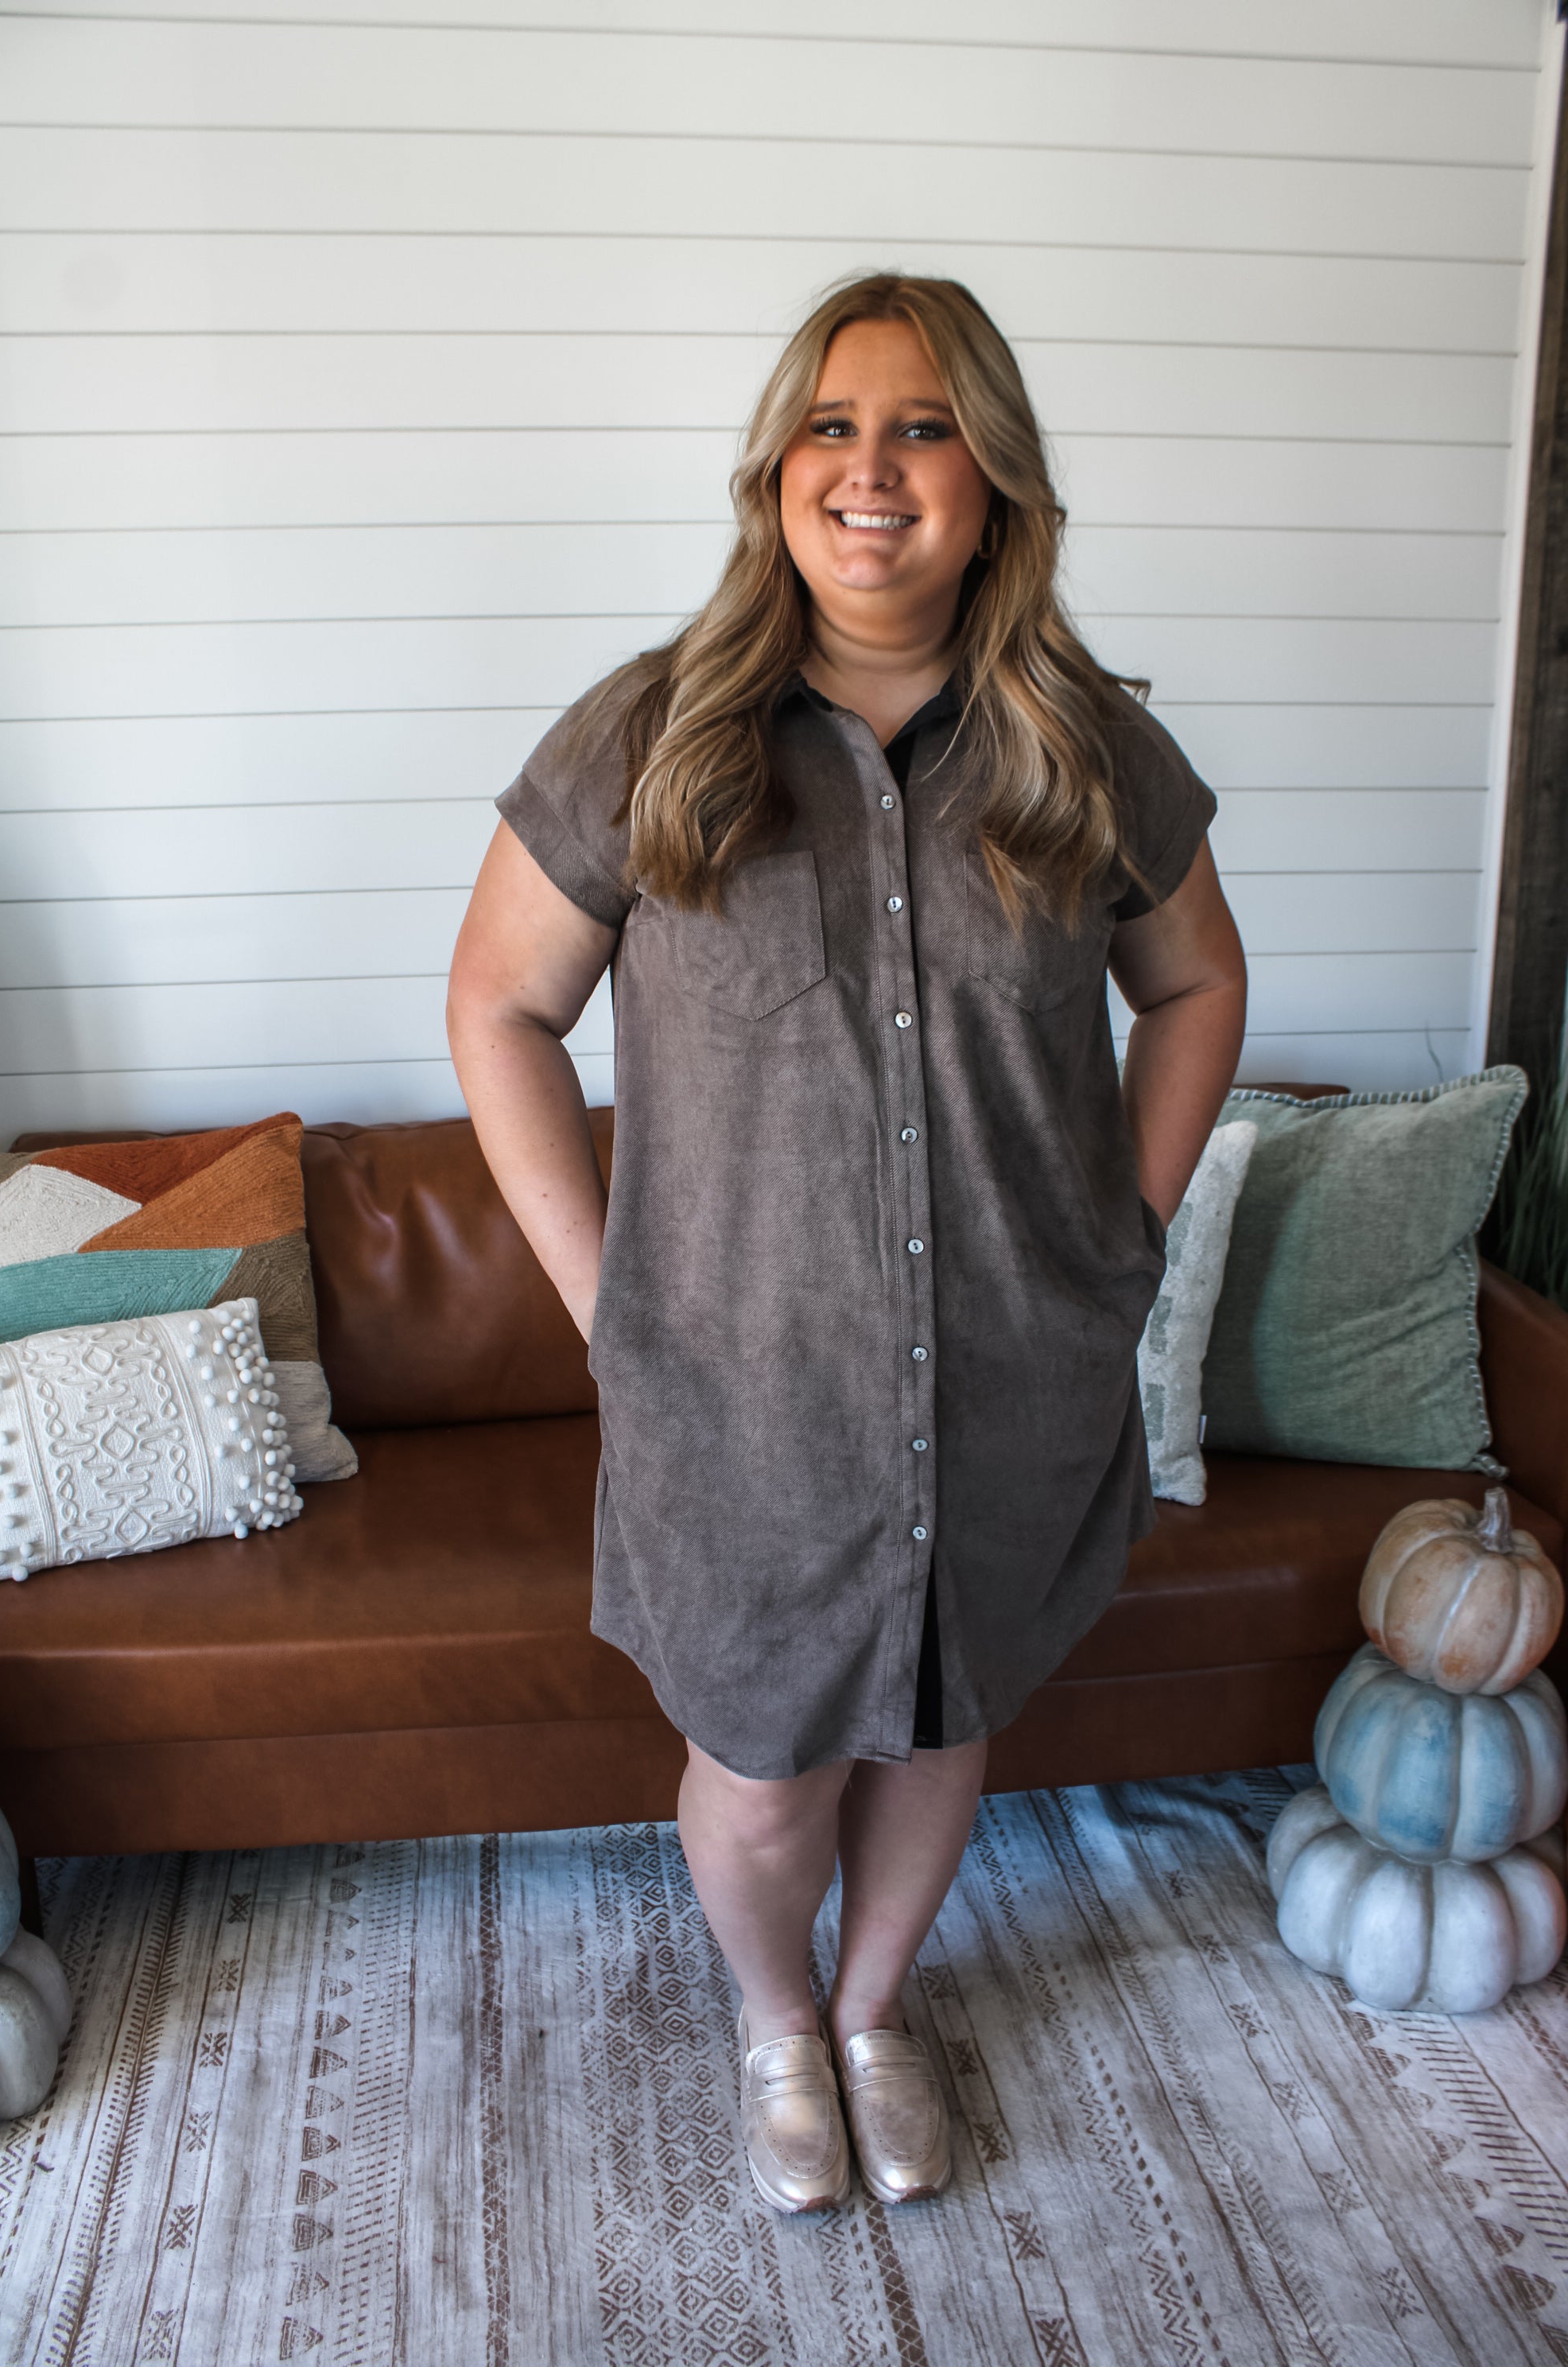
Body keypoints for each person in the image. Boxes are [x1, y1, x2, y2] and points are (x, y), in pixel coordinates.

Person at [447, 273, 1247, 2217]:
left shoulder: (1084, 748)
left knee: (942, 1728)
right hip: (743, 1400)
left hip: (1010, 1373)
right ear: (774, 471)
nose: (869, 468)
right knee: (764, 1771)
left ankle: (875, 2014)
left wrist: (1125, 1239)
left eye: (920, 427)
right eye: (830, 424)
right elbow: (497, 1009)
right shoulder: (650, 735)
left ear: (991, 482)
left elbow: (1196, 984)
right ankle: (773, 2022)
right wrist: (606, 1305)